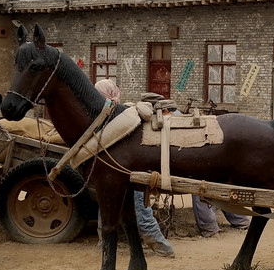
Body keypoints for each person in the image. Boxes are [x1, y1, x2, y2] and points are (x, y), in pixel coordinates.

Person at [146, 96, 250, 238]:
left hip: (197, 165)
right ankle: (241, 221)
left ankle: (209, 229)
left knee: (200, 189)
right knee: (220, 188)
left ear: (163, 111)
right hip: (213, 159)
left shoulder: (167, 123)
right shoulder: (185, 118)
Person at [94, 80, 175, 257]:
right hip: (126, 168)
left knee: (112, 203)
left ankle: (104, 240)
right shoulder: (117, 112)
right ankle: (162, 248)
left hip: (119, 168)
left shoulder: (106, 112)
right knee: (137, 207)